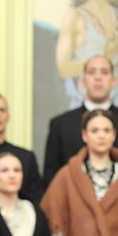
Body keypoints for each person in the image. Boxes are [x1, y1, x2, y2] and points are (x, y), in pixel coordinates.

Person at [42, 109, 118, 236]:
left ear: (114, 135)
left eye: (106, 130)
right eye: (94, 130)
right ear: (84, 135)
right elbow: (54, 220)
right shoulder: (67, 175)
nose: (101, 136)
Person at [44, 55, 118, 184]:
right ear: (83, 81)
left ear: (113, 81)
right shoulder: (60, 124)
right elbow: (51, 178)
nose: (98, 77)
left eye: (104, 72)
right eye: (92, 72)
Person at [55, 0, 118, 108]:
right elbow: (64, 68)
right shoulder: (76, 17)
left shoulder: (116, 15)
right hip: (87, 104)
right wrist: (106, 55)